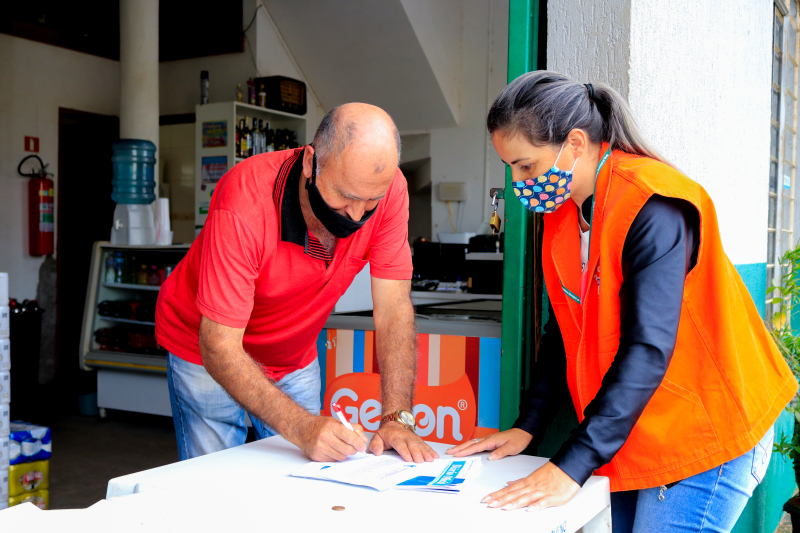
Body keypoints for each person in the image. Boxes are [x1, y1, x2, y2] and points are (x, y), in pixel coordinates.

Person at [447, 71, 796, 532]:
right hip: (642, 429)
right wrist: (527, 424)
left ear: (574, 144)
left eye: (526, 166)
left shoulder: (655, 205)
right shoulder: (565, 214)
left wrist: (572, 464)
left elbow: (647, 347)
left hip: (707, 429)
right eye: (511, 168)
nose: (517, 183)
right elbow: (564, 331)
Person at [156, 103, 437, 464]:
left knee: (306, 480)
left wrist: (397, 419)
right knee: (216, 486)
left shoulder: (390, 191)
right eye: (346, 197)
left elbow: (394, 308)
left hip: (293, 357)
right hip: (205, 349)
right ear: (310, 163)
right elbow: (220, 346)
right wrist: (301, 427)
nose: (356, 215)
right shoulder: (244, 200)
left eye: (371, 201)